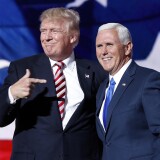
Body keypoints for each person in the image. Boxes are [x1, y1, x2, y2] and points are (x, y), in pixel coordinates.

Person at [0, 7, 106, 160]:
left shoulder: (96, 71)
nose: (46, 37)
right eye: (43, 31)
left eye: (54, 31)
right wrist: (11, 94)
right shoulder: (21, 68)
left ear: (73, 37)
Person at [95, 22, 160, 160]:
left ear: (127, 47)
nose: (103, 51)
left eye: (109, 44)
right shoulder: (102, 88)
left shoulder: (148, 80)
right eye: (99, 46)